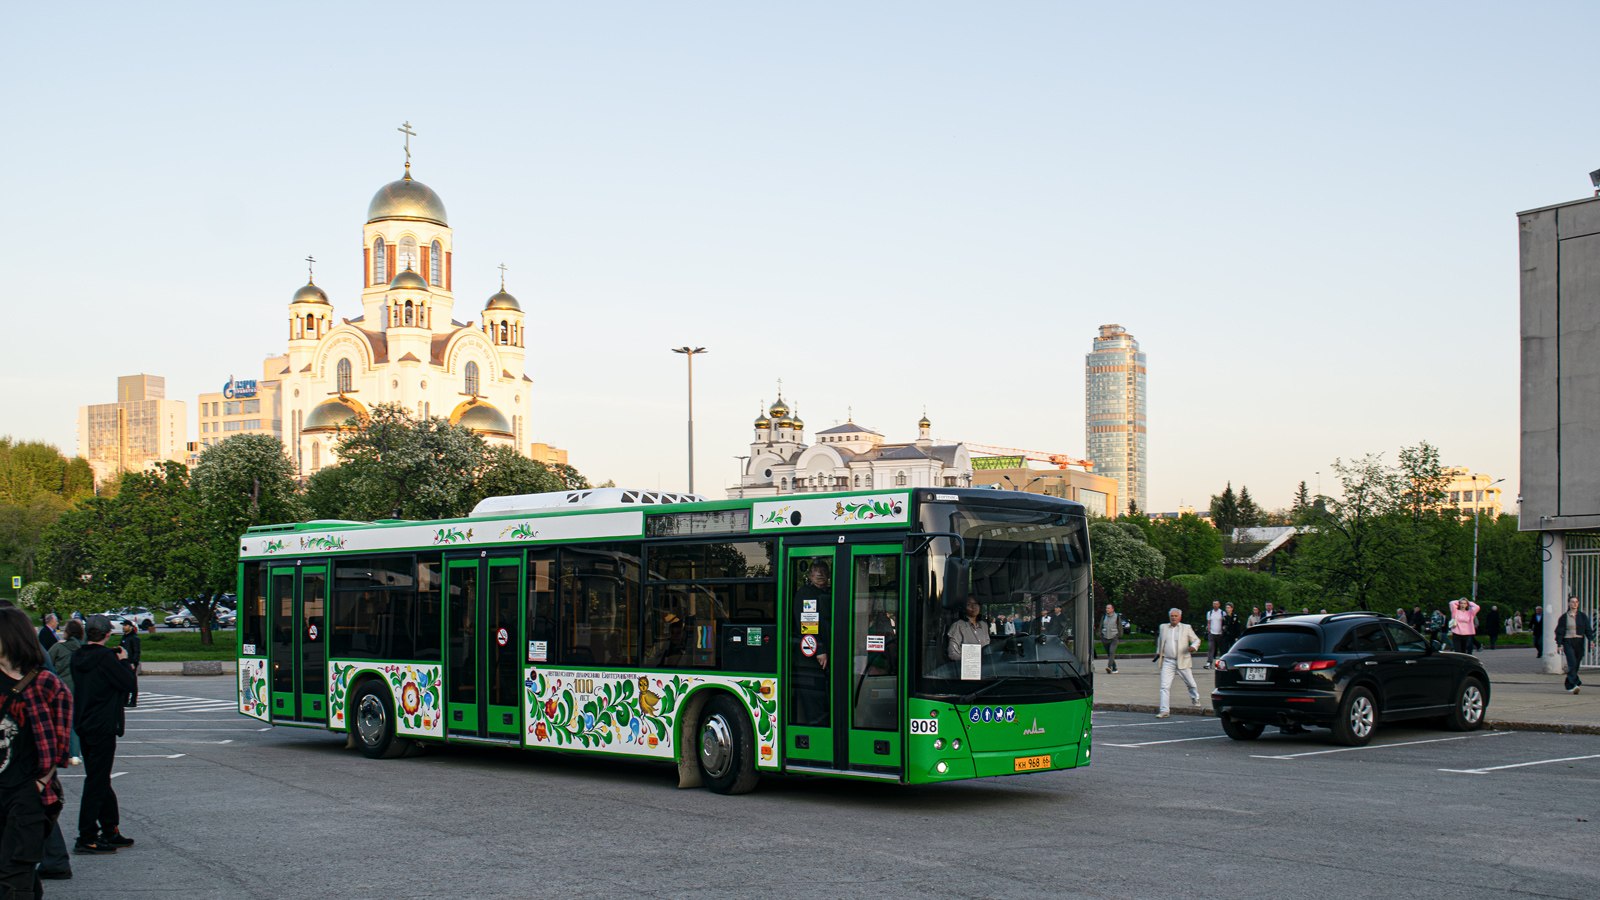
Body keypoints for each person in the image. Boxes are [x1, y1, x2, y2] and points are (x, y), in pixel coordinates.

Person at [0, 605, 74, 899]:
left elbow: (60, 746)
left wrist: (39, 784)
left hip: (26, 792)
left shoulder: (46, 684)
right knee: (17, 876)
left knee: (15, 872)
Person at [70, 615, 136, 855]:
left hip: (84, 722)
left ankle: (110, 829)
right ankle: (86, 836)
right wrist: (124, 661)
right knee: (96, 781)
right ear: (108, 634)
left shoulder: (77, 656)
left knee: (99, 776)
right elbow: (129, 684)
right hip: (103, 724)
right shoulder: (107, 658)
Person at [45, 621, 82, 767]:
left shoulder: (58, 647)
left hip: (61, 689)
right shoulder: (84, 648)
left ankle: (61, 752)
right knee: (77, 721)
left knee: (59, 721)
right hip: (80, 689)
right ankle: (76, 754)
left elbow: (47, 664)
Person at [1153, 608, 1201, 718]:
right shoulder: (1163, 627)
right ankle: (1164, 710)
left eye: (1175, 616)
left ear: (1180, 617)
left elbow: (1196, 640)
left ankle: (1195, 698)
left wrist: (1193, 647)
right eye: (1172, 616)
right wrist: (1158, 652)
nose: (1173, 618)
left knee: (1191, 683)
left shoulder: (1186, 628)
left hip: (1182, 660)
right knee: (1164, 686)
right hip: (1168, 661)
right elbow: (1160, 641)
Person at [1554, 596, 1595, 694]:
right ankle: (1572, 685)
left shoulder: (1582, 616)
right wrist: (1559, 644)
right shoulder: (1564, 617)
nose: (1574, 604)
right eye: (1572, 602)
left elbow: (1588, 629)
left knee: (1576, 663)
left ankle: (1572, 682)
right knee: (1572, 662)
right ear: (1569, 603)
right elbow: (1559, 631)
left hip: (1579, 641)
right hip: (1568, 641)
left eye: (1576, 602)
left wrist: (1591, 640)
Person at [117, 621, 140, 708]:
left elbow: (137, 651)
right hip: (124, 662)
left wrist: (134, 662)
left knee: (132, 682)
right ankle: (125, 700)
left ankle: (133, 701)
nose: (123, 627)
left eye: (125, 625)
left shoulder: (134, 638)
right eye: (123, 625)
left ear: (131, 627)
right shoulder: (124, 637)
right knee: (124, 681)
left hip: (130, 662)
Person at [1098, 604, 1122, 674]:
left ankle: (1109, 666)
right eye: (1106, 608)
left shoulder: (1117, 617)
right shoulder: (1104, 617)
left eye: (1108, 608)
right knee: (1109, 653)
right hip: (1105, 637)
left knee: (1111, 652)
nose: (1107, 609)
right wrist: (1100, 635)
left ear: (1112, 609)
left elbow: (1120, 626)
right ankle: (1114, 668)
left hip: (1114, 637)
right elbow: (1101, 626)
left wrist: (1119, 635)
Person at [1204, 600, 1225, 669]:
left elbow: (1224, 623)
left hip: (1220, 633)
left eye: (1216, 604)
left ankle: (1222, 663)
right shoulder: (1210, 613)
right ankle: (1209, 662)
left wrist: (1223, 631)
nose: (1215, 605)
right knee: (1211, 648)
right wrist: (1209, 630)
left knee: (1221, 649)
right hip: (1212, 633)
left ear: (1219, 605)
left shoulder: (1222, 613)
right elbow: (1209, 622)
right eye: (1214, 604)